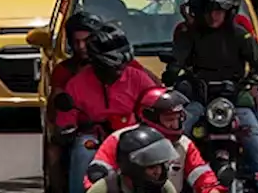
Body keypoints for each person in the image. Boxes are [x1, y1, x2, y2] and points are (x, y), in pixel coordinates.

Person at [171, 0, 258, 193]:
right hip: (199, 101)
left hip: (235, 102)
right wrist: (174, 75)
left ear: (230, 9)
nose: (214, 15)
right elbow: (177, 61)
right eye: (210, 9)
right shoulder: (186, 34)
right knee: (174, 142)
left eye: (220, 9)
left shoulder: (240, 34)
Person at [56, 24, 161, 193]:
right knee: (82, 151)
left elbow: (157, 105)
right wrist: (68, 130)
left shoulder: (137, 77)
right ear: (96, 62)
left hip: (135, 138)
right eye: (113, 66)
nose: (120, 71)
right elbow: (65, 122)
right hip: (95, 139)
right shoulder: (76, 85)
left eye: (122, 65)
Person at [86, 87, 224, 193]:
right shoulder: (122, 139)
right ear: (149, 116)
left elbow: (205, 179)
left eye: (178, 119)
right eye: (169, 119)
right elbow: (96, 176)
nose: (175, 125)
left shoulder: (184, 144)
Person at [47, 12, 105, 193]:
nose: (81, 47)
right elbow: (56, 105)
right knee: (55, 153)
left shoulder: (126, 67)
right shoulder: (65, 71)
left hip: (120, 129)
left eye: (86, 41)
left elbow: (151, 90)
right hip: (82, 131)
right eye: (76, 41)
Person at [85, 127, 180, 193]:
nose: (158, 172)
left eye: (161, 165)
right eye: (151, 167)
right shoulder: (106, 189)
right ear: (132, 167)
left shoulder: (164, 188)